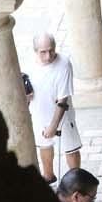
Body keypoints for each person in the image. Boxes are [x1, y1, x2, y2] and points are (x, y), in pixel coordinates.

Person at [26, 32, 83, 183]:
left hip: (62, 117)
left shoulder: (64, 63)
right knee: (44, 147)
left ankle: (76, 181)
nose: (48, 55)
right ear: (35, 51)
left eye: (51, 50)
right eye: (43, 52)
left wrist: (53, 125)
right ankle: (48, 178)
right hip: (39, 113)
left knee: (70, 148)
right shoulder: (29, 64)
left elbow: (62, 100)